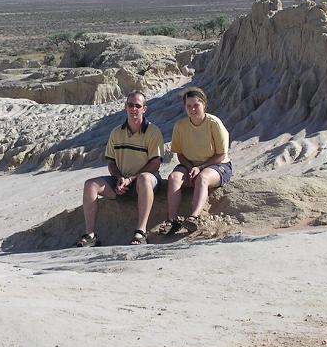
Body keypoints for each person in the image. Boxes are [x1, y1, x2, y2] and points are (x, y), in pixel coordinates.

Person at [77, 90, 164, 247]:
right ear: (125, 107)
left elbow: (155, 164)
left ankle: (141, 231)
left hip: (146, 180)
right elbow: (111, 163)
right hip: (122, 180)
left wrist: (132, 179)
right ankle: (90, 234)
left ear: (145, 109)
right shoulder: (116, 133)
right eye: (130, 105)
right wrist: (119, 179)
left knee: (144, 178)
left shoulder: (153, 132)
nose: (134, 109)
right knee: (90, 185)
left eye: (138, 105)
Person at [166, 87, 232, 234]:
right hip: (190, 165)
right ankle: (172, 220)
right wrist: (190, 167)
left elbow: (221, 155)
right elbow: (180, 154)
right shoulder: (180, 126)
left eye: (196, 105)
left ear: (204, 105)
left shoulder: (214, 123)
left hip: (217, 165)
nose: (193, 109)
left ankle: (193, 218)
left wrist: (200, 167)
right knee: (174, 177)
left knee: (202, 178)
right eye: (189, 106)